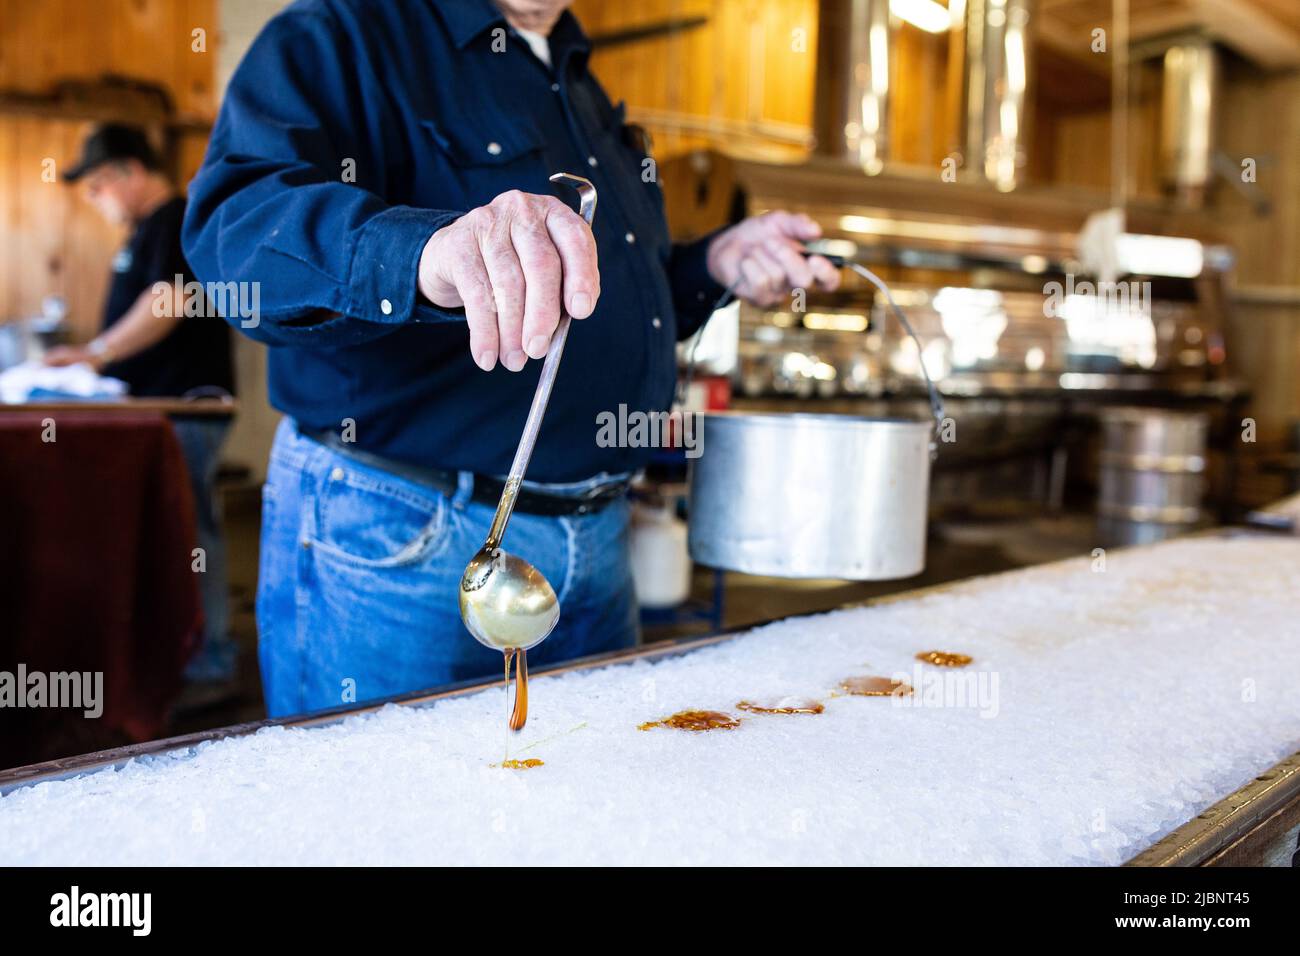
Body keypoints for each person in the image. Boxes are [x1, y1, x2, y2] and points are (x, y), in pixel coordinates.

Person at [183, 0, 839, 718]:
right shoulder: (342, 32)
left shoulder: (575, 79)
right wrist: (426, 253)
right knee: (386, 821)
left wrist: (715, 262)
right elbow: (234, 229)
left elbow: (599, 302)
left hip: (599, 538)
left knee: (587, 809)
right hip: (402, 540)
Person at [52, 123, 238, 684]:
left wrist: (96, 353)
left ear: (132, 172)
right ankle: (175, 657)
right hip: (155, 411)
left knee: (189, 532)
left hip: (186, 409)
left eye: (100, 185)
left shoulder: (174, 220)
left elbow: (172, 299)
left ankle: (212, 664)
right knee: (174, 531)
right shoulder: (144, 232)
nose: (95, 200)